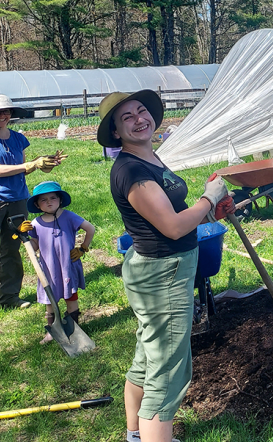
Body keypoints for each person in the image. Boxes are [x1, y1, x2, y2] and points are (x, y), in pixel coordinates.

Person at [97, 89, 233, 442]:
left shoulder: (149, 157)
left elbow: (174, 208)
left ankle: (135, 435)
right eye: (127, 117)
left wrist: (209, 206)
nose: (139, 119)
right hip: (164, 273)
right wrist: (208, 198)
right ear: (115, 132)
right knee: (169, 371)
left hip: (159, 268)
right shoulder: (131, 170)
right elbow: (172, 227)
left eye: (142, 111)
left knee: (148, 357)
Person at [0, 94, 64, 309]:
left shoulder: (18, 139)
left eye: (6, 112)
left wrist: (43, 165)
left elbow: (20, 171)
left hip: (17, 200)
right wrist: (29, 165)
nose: (3, 115)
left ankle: (9, 297)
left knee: (10, 250)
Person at [18, 181, 95, 344]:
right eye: (43, 200)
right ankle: (52, 331)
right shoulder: (36, 224)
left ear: (60, 199)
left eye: (53, 198)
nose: (49, 202)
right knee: (50, 300)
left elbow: (90, 228)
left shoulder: (69, 216)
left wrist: (83, 248)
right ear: (38, 205)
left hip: (68, 266)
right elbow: (34, 245)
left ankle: (74, 329)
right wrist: (23, 237)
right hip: (49, 269)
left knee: (71, 298)